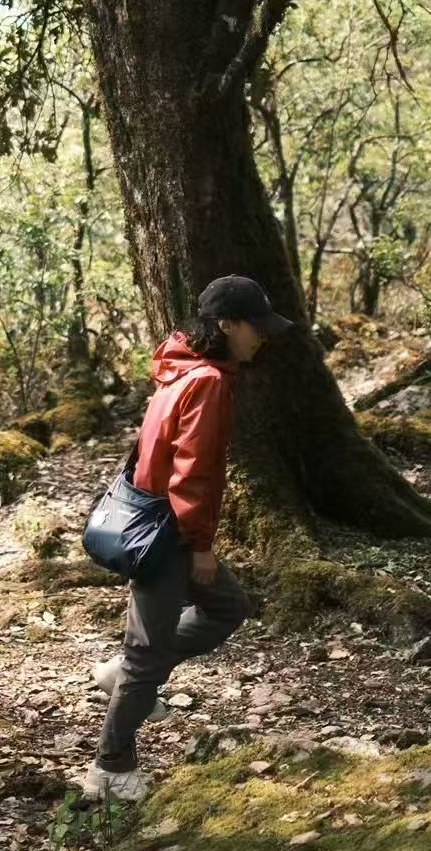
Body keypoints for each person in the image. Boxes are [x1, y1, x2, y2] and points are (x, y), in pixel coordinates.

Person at [82, 275, 293, 805]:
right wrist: (200, 543)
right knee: (148, 656)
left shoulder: (179, 372)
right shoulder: (207, 383)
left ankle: (121, 674)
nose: (261, 338)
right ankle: (111, 768)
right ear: (227, 326)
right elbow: (193, 471)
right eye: (254, 327)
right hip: (170, 533)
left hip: (155, 521)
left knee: (227, 607)